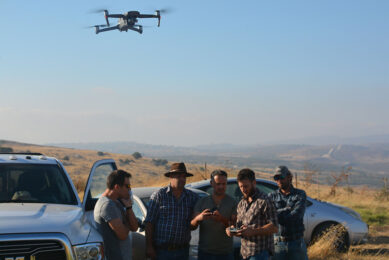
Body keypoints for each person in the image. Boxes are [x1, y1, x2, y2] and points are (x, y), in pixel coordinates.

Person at [145, 162, 199, 260]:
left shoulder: (192, 197)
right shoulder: (159, 195)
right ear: (171, 177)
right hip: (162, 251)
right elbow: (149, 223)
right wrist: (149, 246)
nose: (182, 179)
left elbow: (193, 224)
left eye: (184, 177)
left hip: (182, 251)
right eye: (178, 176)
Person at [226, 168, 278, 260]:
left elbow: (274, 227)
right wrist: (232, 231)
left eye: (246, 186)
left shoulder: (265, 201)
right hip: (244, 253)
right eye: (241, 187)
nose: (243, 189)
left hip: (260, 253)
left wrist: (253, 231)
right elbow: (240, 228)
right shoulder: (241, 203)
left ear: (254, 183)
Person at [191, 170, 238, 260]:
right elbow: (192, 226)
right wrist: (199, 218)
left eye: (224, 184)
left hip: (225, 253)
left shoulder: (232, 202)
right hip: (205, 253)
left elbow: (234, 227)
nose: (221, 187)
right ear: (211, 183)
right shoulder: (202, 202)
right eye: (218, 184)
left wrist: (221, 219)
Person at [94, 169, 139, 260]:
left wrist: (129, 208)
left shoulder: (116, 203)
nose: (130, 189)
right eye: (127, 186)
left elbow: (134, 228)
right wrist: (127, 224)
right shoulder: (107, 205)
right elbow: (123, 235)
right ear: (117, 187)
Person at [268, 166, 308, 260]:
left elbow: (297, 215)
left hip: (296, 242)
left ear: (289, 177)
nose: (279, 181)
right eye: (276, 178)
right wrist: (287, 210)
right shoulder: (272, 196)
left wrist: (277, 215)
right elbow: (269, 216)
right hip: (278, 242)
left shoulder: (300, 194)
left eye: (281, 177)